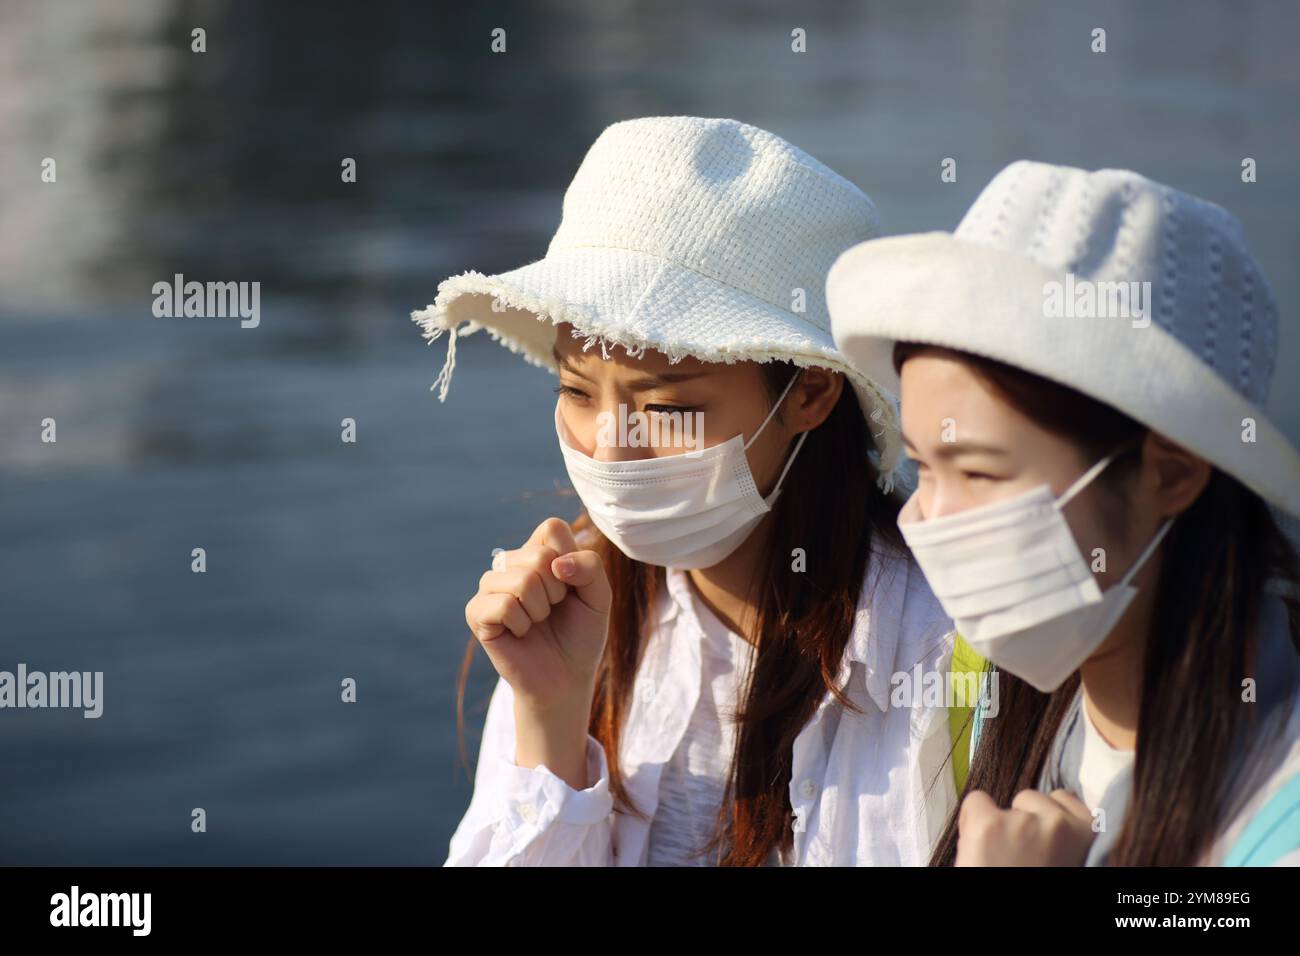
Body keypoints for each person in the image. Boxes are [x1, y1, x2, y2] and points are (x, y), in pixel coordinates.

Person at [413, 116, 956, 866]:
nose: (611, 446)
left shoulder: (947, 648)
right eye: (575, 390)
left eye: (667, 409)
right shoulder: (570, 622)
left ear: (811, 394)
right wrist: (550, 714)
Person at [828, 159, 1300, 866]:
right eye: (923, 467)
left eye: (981, 472)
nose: (929, 520)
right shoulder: (979, 703)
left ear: (1170, 473)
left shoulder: (1275, 809)